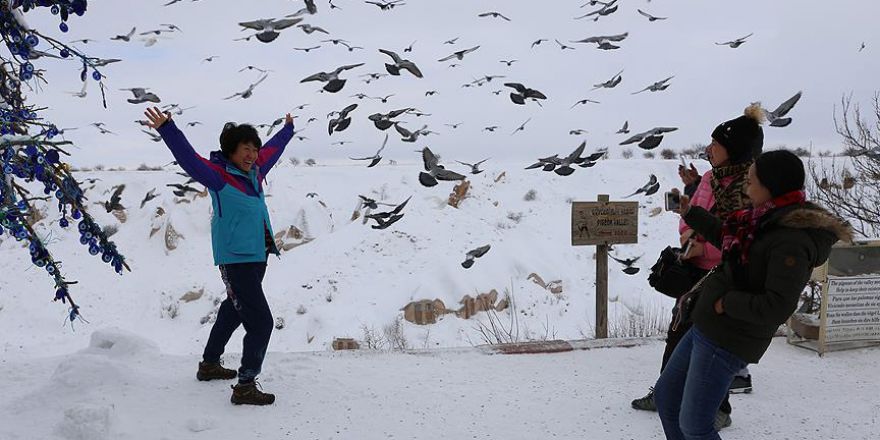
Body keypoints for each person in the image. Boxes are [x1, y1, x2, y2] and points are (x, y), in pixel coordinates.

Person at [654, 149, 852, 439]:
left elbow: (777, 306)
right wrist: (689, 212)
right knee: (667, 399)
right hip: (706, 325)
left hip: (728, 338)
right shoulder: (761, 218)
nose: (746, 187)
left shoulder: (791, 241)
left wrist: (725, 303)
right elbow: (725, 236)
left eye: (751, 181)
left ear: (770, 186)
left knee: (695, 425)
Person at [145, 107, 295, 405]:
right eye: (245, 149)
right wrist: (168, 129)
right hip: (235, 260)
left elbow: (272, 152)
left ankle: (209, 364)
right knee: (261, 322)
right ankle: (245, 385)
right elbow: (189, 159)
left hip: (256, 256)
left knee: (234, 309)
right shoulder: (219, 176)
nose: (252, 154)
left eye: (254, 149)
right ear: (231, 151)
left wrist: (288, 130)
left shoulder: (255, 173)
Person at [632, 105, 766, 426]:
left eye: (716, 144)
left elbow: (738, 241)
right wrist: (689, 233)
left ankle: (718, 409)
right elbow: (693, 214)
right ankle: (667, 392)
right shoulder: (709, 178)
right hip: (693, 270)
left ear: (733, 150)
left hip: (721, 276)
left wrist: (700, 243)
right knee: (678, 334)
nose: (709, 149)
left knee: (711, 343)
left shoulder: (750, 188)